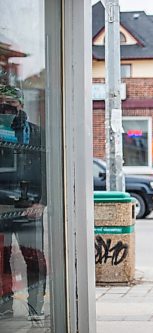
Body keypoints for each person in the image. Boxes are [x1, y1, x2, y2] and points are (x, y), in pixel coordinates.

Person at [0, 84, 47, 323]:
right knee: (2, 259)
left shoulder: (36, 134)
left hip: (29, 207)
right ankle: (5, 306)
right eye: (1, 105)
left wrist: (42, 201)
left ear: (20, 106)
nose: (5, 110)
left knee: (34, 258)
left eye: (10, 105)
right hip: (1, 206)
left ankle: (35, 306)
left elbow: (50, 170)